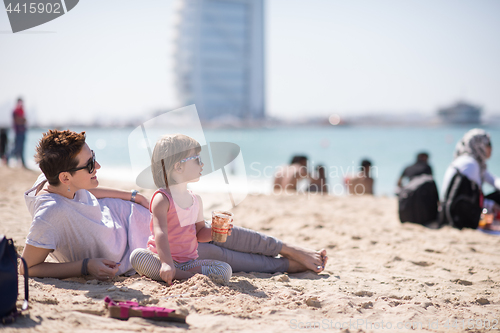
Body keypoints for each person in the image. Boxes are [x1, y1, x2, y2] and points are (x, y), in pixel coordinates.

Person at [21, 129, 327, 281]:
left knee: (221, 231)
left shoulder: (57, 181)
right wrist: (85, 266)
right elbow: (27, 267)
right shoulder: (50, 214)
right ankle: (288, 264)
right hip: (148, 249)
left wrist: (133, 196)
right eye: (89, 165)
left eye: (95, 157)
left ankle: (289, 250)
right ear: (66, 176)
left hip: (141, 217)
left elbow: (85, 196)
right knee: (221, 252)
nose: (97, 167)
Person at [129, 134, 232, 284]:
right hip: (160, 259)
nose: (202, 164)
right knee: (137, 256)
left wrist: (215, 232)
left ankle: (179, 274)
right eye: (197, 160)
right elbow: (161, 233)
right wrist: (166, 263)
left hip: (189, 263)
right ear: (178, 166)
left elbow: (200, 233)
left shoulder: (196, 200)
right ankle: (183, 275)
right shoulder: (162, 199)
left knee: (225, 269)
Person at [440, 129, 500, 229]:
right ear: (478, 145)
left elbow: (494, 180)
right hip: (457, 216)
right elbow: (474, 198)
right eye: (488, 144)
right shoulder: (470, 164)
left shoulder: (472, 161)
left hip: (450, 211)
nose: (491, 148)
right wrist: (492, 205)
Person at [7, 98, 27, 168]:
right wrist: (22, 120)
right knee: (16, 147)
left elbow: (24, 120)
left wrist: (22, 120)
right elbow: (17, 120)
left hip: (22, 131)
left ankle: (22, 162)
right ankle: (6, 158)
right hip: (18, 132)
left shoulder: (22, 110)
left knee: (21, 148)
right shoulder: (15, 110)